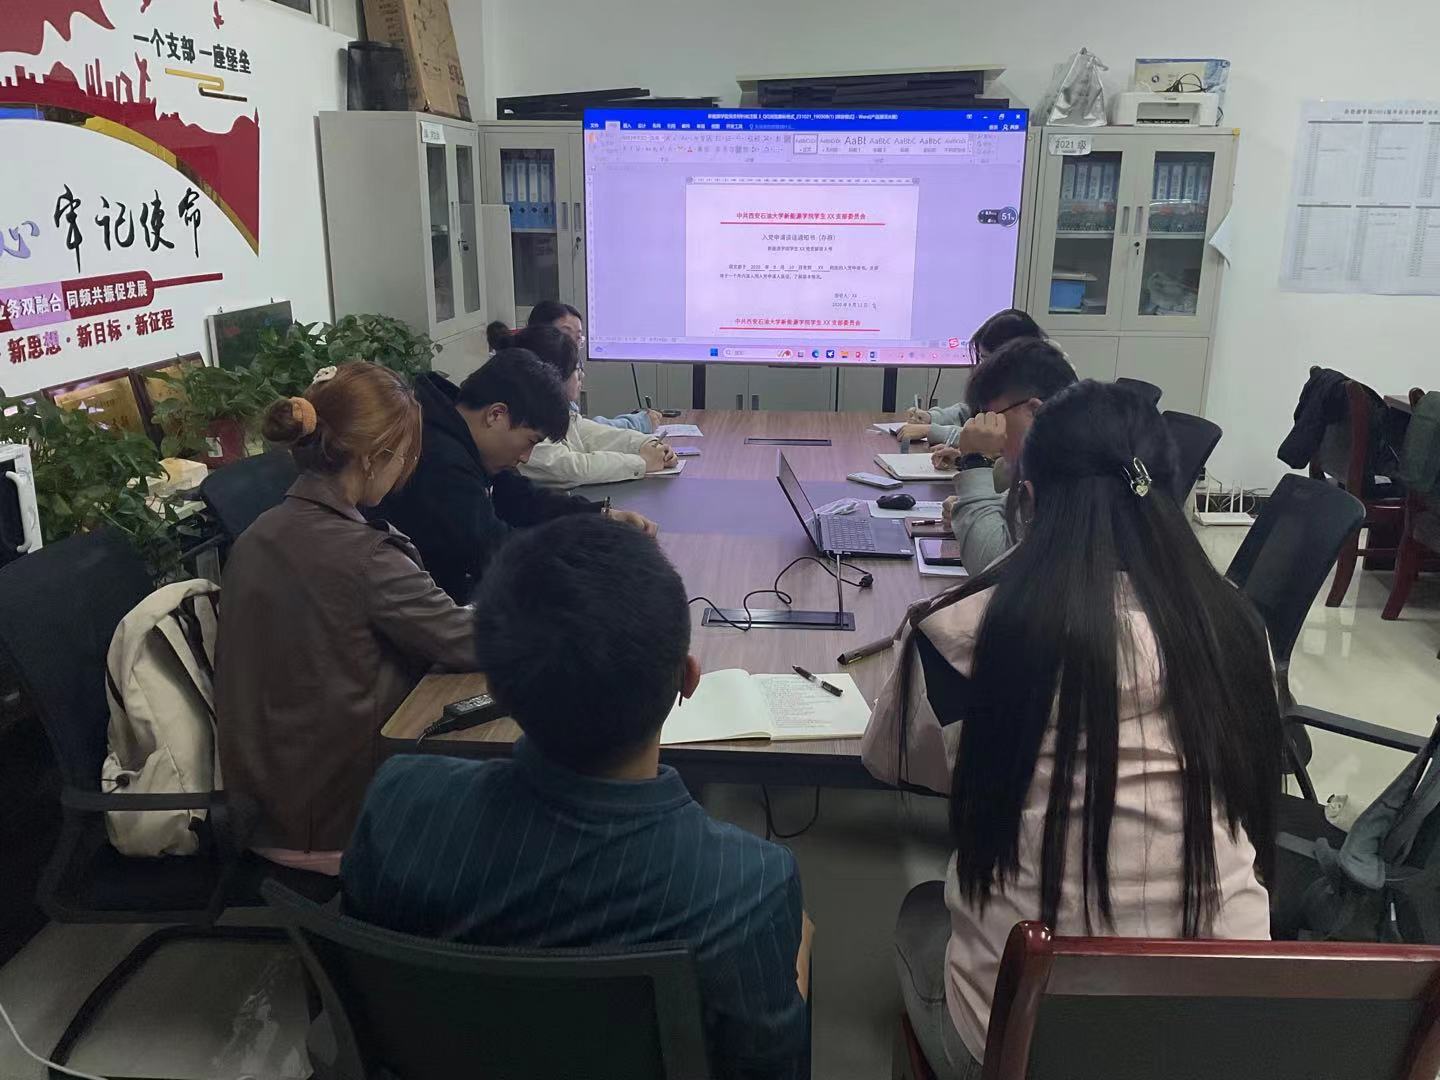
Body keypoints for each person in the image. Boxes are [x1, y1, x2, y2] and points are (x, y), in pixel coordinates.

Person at [861, 380, 1281, 1078]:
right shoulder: (1237, 628)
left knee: (921, 910)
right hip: (1220, 1042)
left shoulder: (965, 629)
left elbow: (899, 763)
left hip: (1021, 1047)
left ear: (1026, 500)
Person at [344, 515, 813, 1079]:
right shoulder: (748, 888)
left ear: (494, 687)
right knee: (801, 941)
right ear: (687, 679)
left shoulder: (397, 801)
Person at [214, 362, 478, 875]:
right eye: (404, 455)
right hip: (337, 820)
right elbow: (468, 642)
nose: (406, 468)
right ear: (375, 457)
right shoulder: (367, 556)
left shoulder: (259, 532)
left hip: (267, 807)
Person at [376, 348, 657, 603]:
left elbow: (522, 499)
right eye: (530, 441)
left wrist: (600, 517)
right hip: (441, 615)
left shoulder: (462, 435)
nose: (525, 457)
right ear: (496, 415)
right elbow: (495, 551)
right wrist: (587, 557)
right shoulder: (438, 458)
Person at [930, 337, 1075, 574]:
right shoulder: (1047, 460)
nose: (991, 430)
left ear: (1034, 410)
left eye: (994, 418)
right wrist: (971, 507)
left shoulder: (1072, 474)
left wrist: (975, 460)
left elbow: (989, 567)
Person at [501, 323, 678, 489]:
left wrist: (647, 445)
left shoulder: (554, 413)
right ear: (555, 376)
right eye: (577, 369)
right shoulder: (523, 426)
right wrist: (642, 462)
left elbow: (599, 435)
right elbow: (572, 469)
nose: (582, 376)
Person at [489, 301, 662, 432]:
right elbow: (578, 433)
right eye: (564, 334)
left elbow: (579, 429)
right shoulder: (527, 385)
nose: (571, 344)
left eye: (578, 338)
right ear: (540, 335)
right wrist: (637, 425)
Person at [898, 309, 1046, 446]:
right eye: (981, 358)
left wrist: (932, 431)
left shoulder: (1034, 392)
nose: (982, 367)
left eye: (986, 359)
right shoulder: (1012, 383)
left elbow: (995, 438)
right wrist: (932, 418)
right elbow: (976, 412)